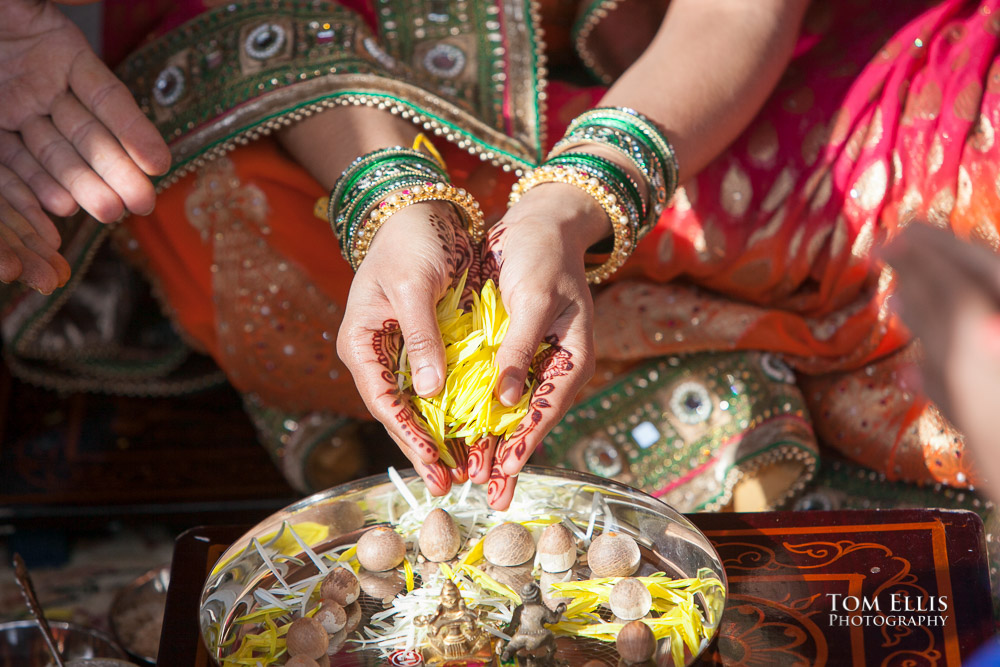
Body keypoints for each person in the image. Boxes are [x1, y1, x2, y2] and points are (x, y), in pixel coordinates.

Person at [1, 0, 995, 510]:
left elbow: (736, 15)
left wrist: (576, 198)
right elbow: (250, 22)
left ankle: (654, 359)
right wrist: (389, 200)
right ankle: (691, 376)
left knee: (968, 183)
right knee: (206, 201)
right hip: (353, 111)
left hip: (694, 96)